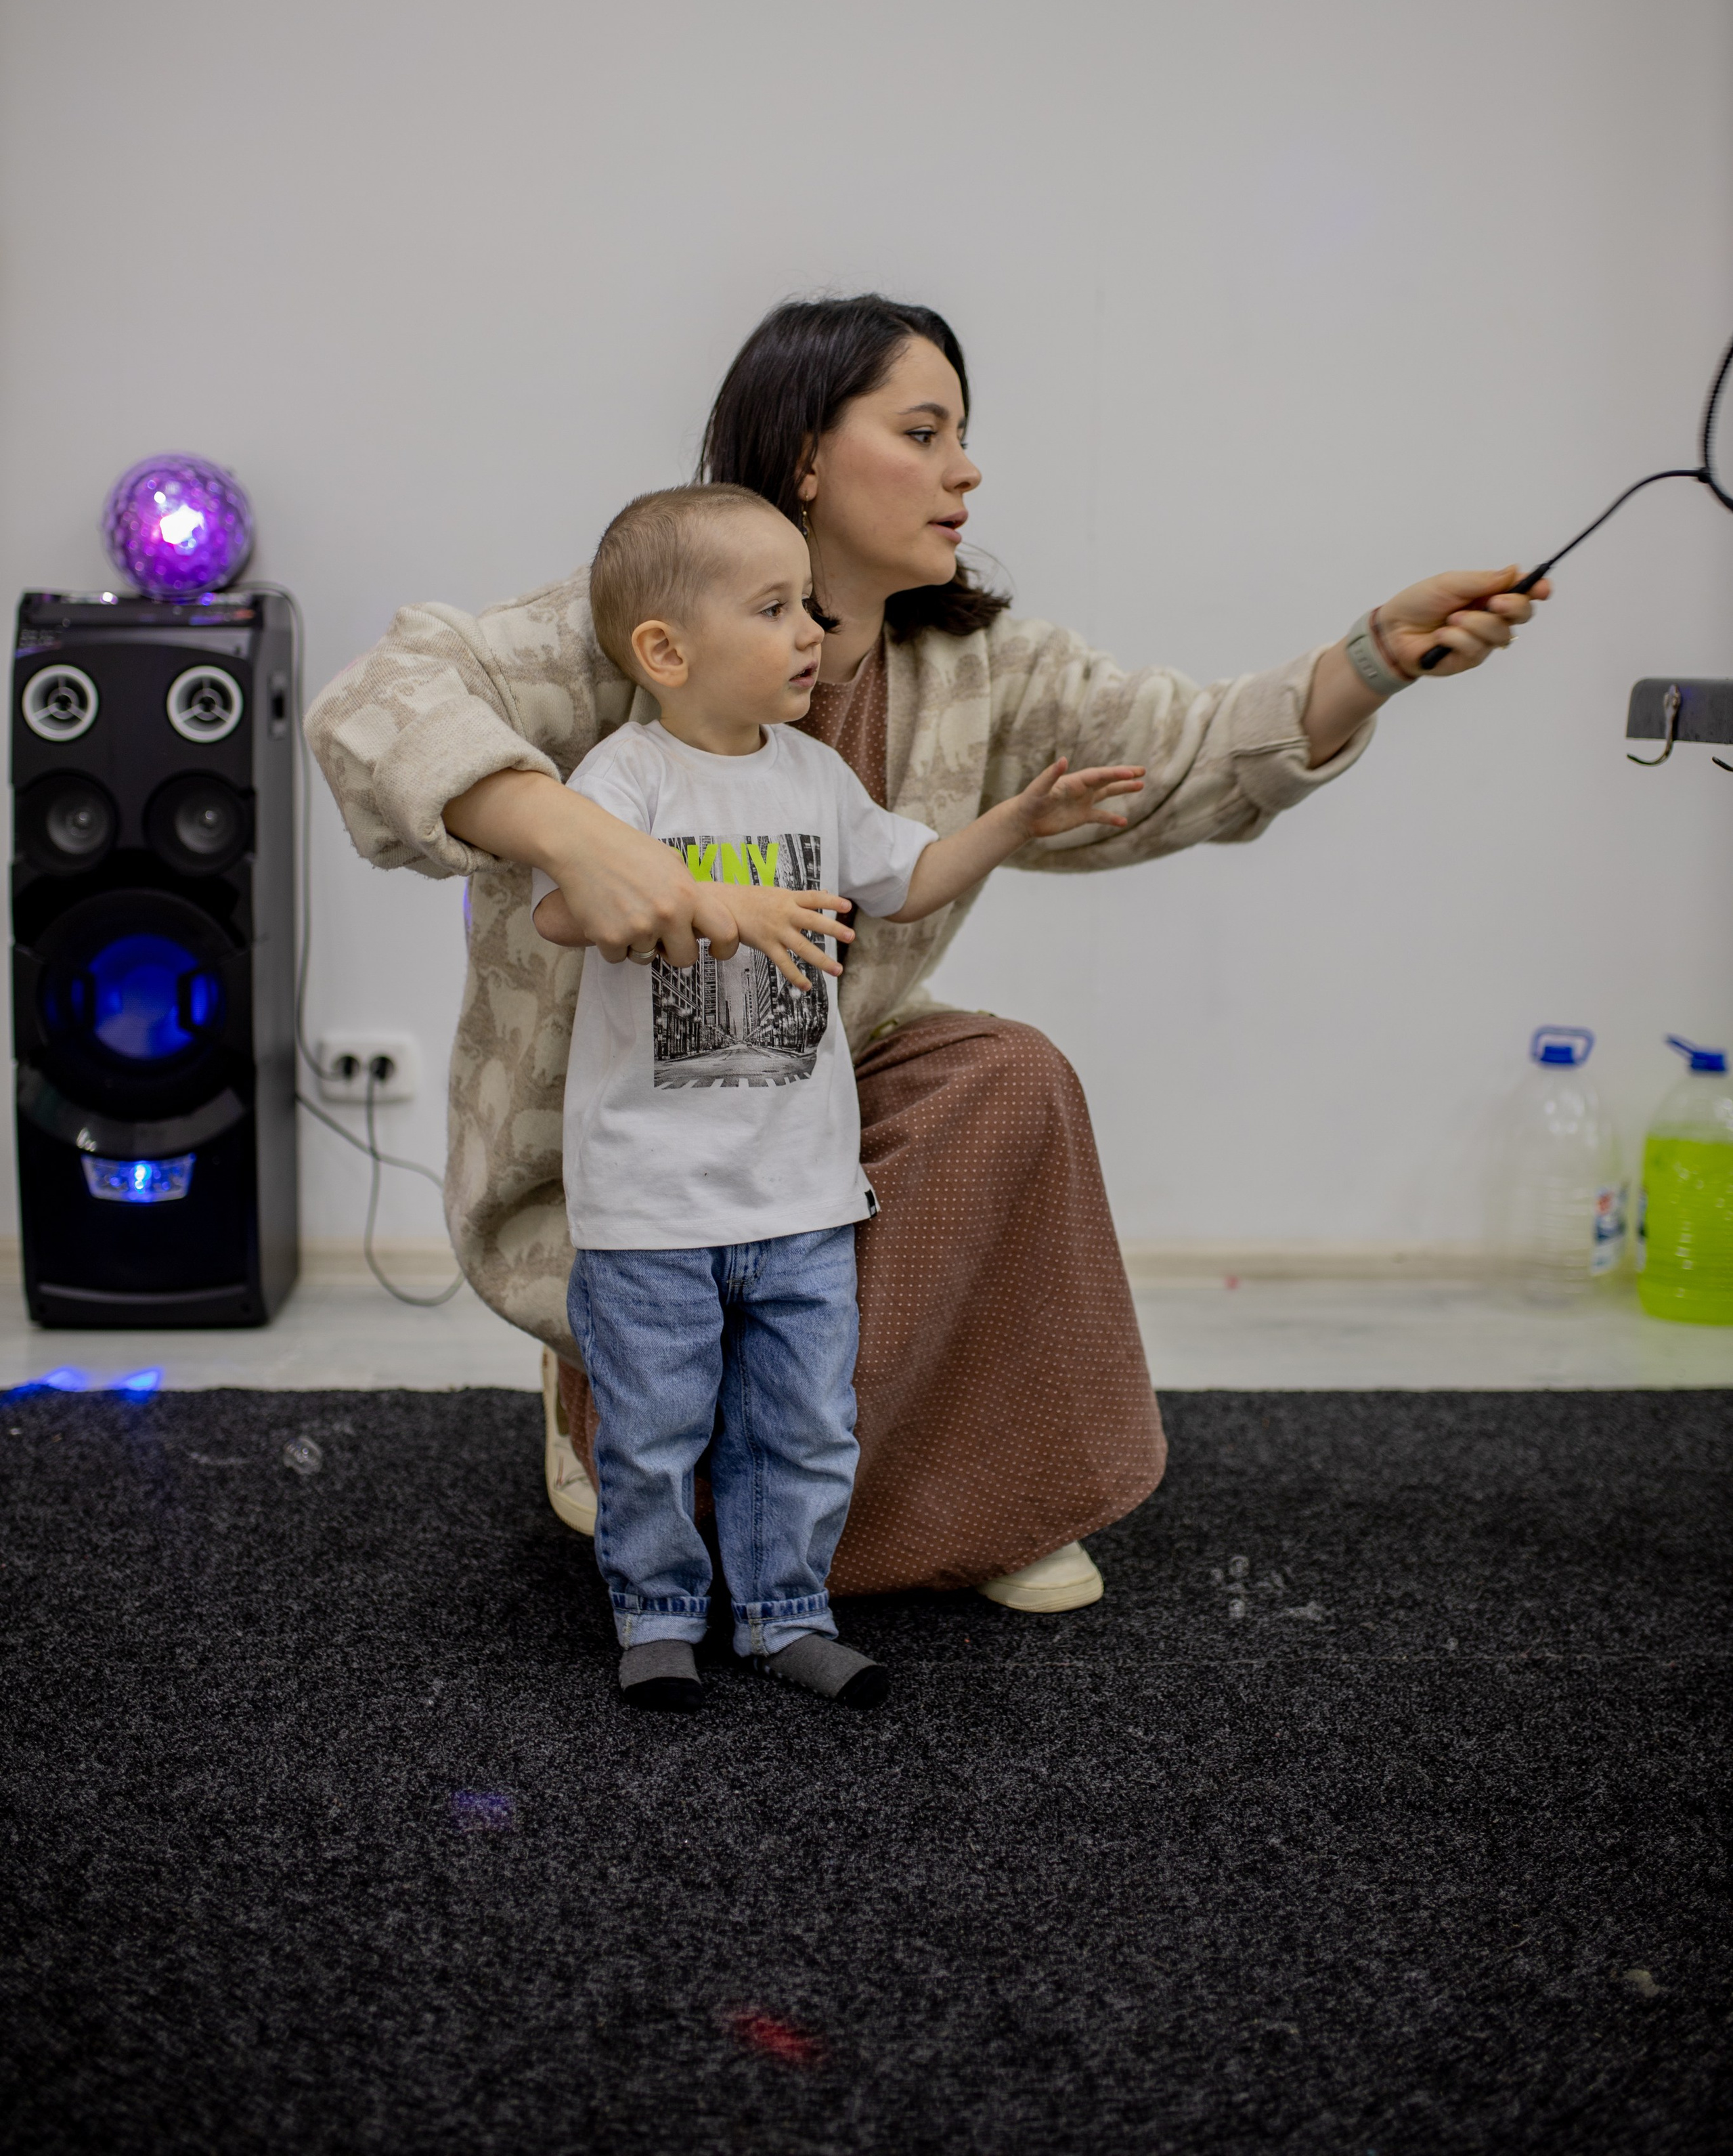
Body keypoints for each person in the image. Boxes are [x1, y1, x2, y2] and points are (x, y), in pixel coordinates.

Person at [306, 293, 1546, 1616]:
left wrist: (1376, 654)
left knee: (1007, 1079)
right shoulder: (637, 622)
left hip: (801, 1107)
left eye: (964, 433)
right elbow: (374, 705)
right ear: (802, 459)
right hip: (622, 1163)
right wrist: (564, 832)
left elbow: (1182, 750)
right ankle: (609, 1395)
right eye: (922, 429)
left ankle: (967, 1501)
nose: (966, 469)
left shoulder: (977, 666)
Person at [542, 481, 1144, 1710]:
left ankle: (784, 1612)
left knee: (805, 1424)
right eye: (774, 609)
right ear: (666, 650)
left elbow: (912, 879)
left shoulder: (813, 777)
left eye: (808, 605)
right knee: (656, 1432)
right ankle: (658, 1615)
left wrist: (1016, 823)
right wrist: (723, 906)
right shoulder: (626, 781)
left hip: (800, 1195)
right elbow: (568, 906)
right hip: (657, 1206)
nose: (813, 631)